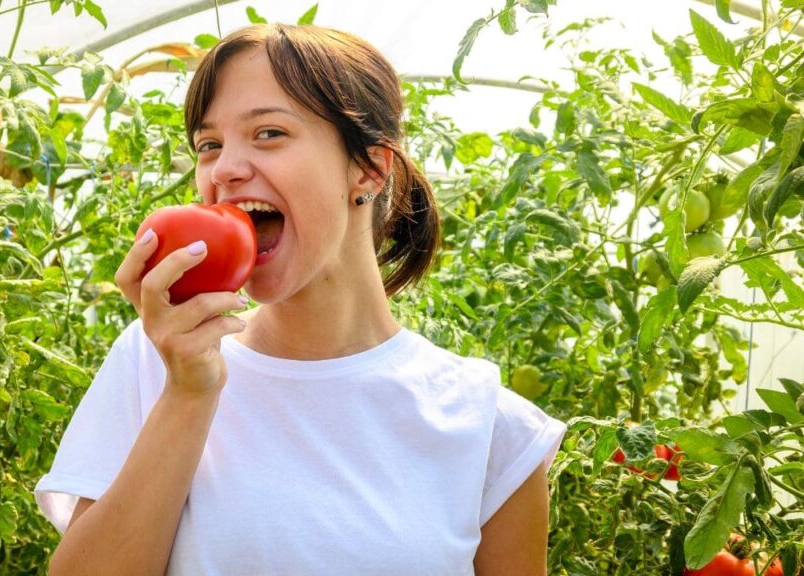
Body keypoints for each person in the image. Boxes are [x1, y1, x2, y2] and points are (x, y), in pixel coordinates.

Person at [35, 22, 567, 576]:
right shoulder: (158, 359)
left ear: (368, 168)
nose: (226, 169)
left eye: (268, 133)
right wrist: (189, 396)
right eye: (209, 145)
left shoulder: (489, 426)